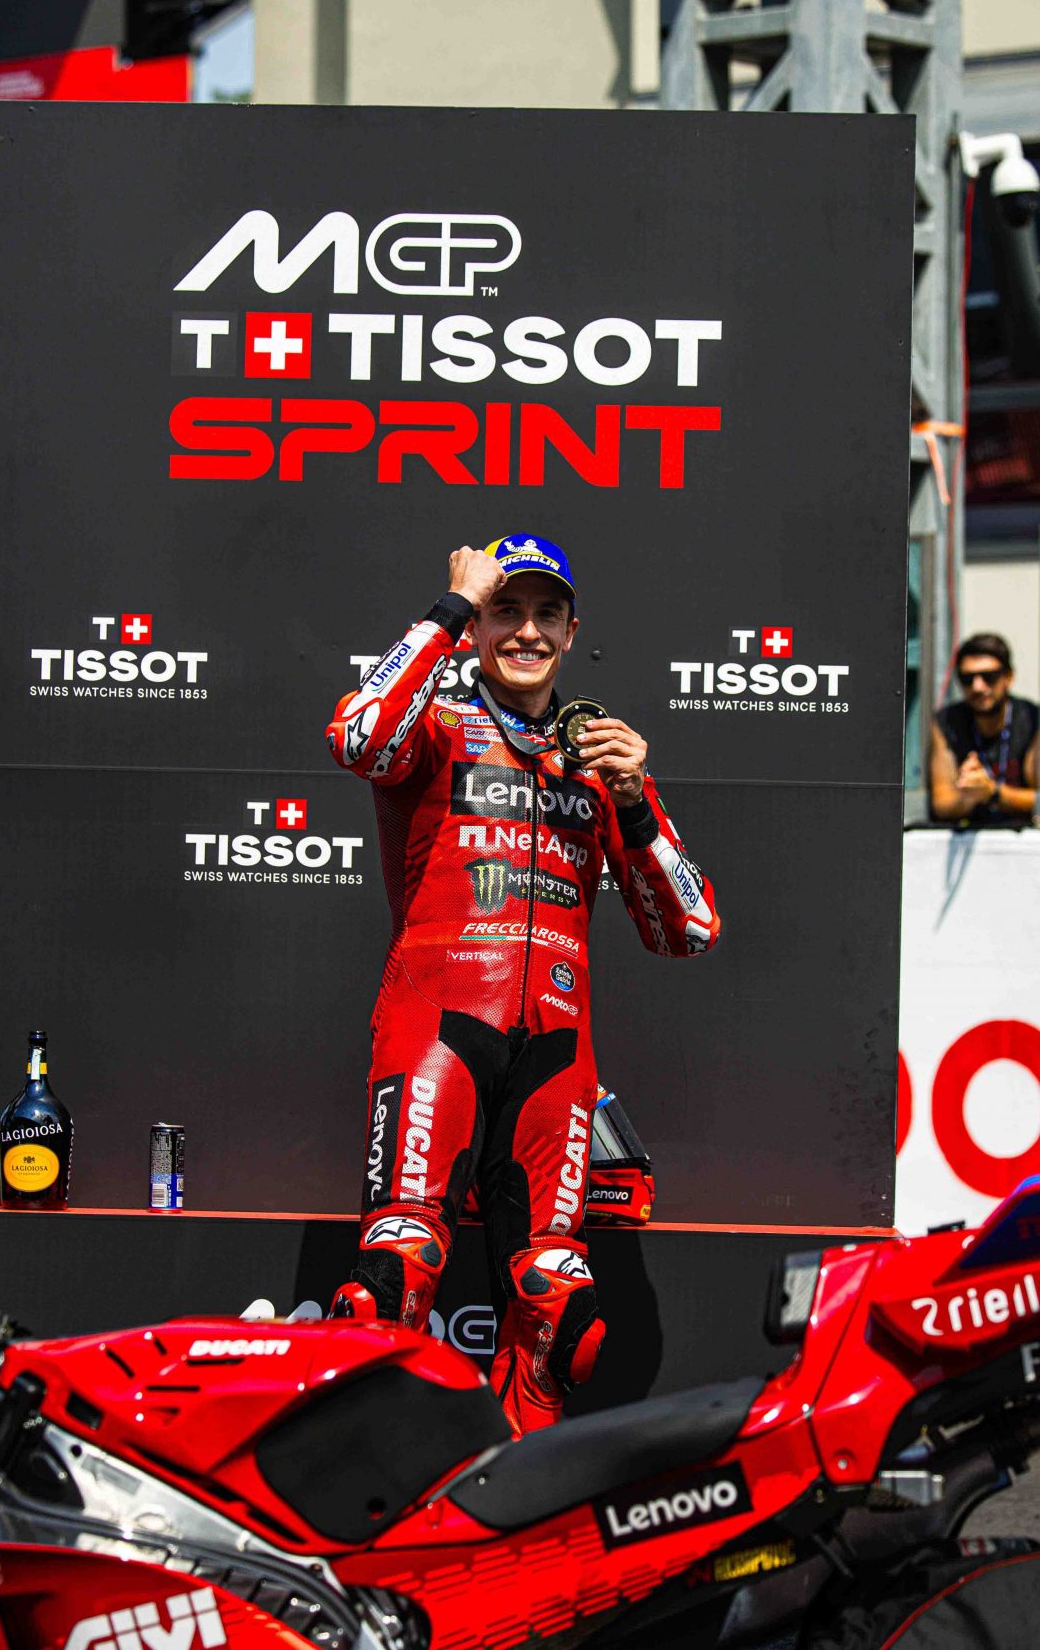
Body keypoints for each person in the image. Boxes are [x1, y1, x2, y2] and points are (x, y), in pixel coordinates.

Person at [324, 534, 721, 1433]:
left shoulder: (598, 760)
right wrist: (451, 607)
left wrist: (634, 799)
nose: (527, 632)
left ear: (572, 633)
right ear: (478, 627)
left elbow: (690, 929)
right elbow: (357, 736)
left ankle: (517, 1504)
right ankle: (382, 1491)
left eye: (546, 615)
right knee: (392, 1277)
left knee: (560, 1310)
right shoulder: (433, 726)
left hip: (557, 1053)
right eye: (507, 611)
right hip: (436, 1025)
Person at [928, 632, 1039, 826]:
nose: (978, 687)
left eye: (989, 677)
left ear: (1009, 677)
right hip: (967, 834)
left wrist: (992, 792)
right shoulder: (948, 722)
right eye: (967, 679)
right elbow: (941, 803)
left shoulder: (1032, 719)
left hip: (1023, 836)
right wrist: (970, 796)